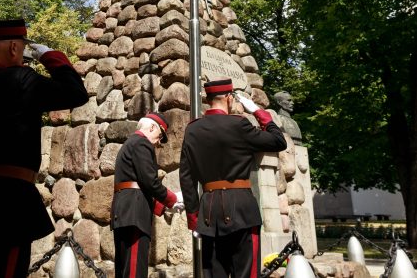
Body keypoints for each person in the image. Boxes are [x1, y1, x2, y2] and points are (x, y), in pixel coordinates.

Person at [0, 19, 88, 277]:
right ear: (14, 47)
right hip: (8, 206)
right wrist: (49, 56)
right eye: (22, 48)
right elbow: (76, 93)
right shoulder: (23, 79)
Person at [179, 79, 287, 278]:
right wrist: (258, 111)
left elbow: (186, 177)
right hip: (242, 209)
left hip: (209, 212)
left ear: (209, 99)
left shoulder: (192, 129)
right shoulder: (239, 124)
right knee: (246, 273)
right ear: (229, 98)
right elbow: (278, 141)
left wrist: (194, 218)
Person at [111, 112, 184, 278]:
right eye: (160, 136)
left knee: (124, 268)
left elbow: (135, 184)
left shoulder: (130, 143)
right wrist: (173, 199)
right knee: (135, 270)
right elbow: (149, 181)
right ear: (152, 127)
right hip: (135, 215)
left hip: (125, 213)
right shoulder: (142, 143)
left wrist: (162, 206)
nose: (159, 143)